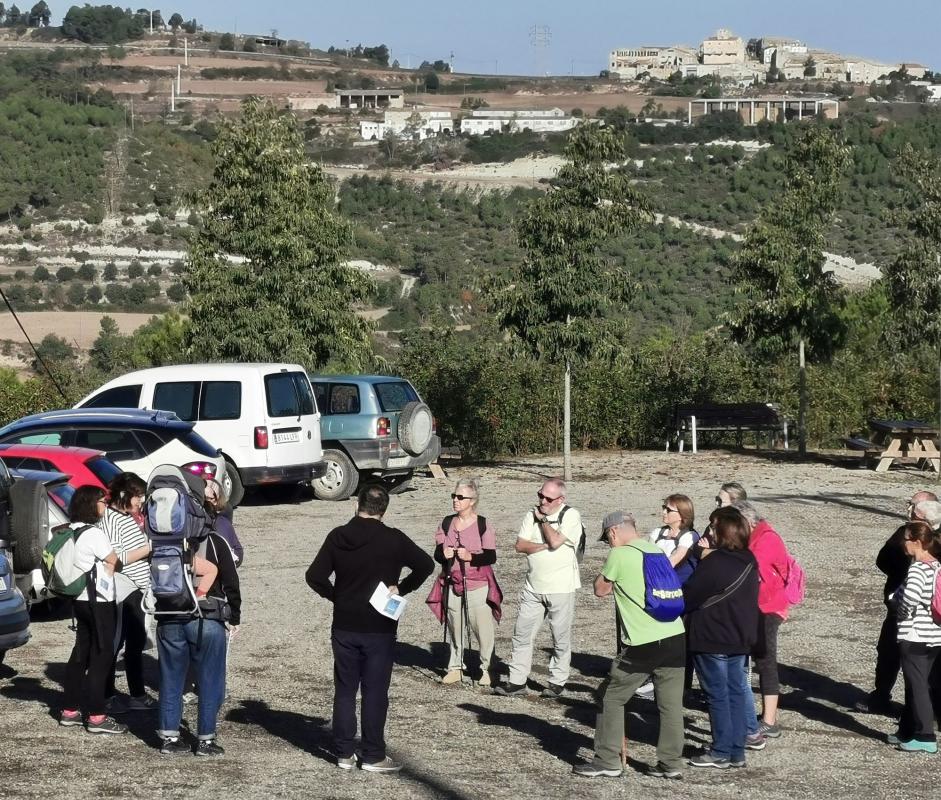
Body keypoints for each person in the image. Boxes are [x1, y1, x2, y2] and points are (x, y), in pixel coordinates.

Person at [306, 485, 434, 773]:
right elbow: (426, 564)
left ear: (357, 505)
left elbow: (314, 576)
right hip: (380, 626)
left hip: (345, 624)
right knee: (375, 691)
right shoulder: (393, 539)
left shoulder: (338, 536)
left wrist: (336, 595)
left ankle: (343, 753)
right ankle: (373, 754)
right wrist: (401, 587)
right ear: (384, 510)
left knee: (345, 689)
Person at [573, 511, 686, 779]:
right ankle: (671, 764)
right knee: (669, 705)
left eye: (608, 538)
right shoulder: (655, 550)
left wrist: (603, 576)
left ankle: (607, 760)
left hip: (643, 642)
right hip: (675, 635)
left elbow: (600, 589)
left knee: (609, 697)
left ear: (613, 532)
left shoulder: (620, 554)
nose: (609, 543)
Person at [156, 473, 239, 758]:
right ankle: (205, 740)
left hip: (168, 614)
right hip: (206, 618)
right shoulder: (215, 541)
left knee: (170, 678)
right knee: (210, 679)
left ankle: (168, 737)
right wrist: (235, 616)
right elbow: (231, 582)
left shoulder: (160, 542)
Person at [683, 506, 759, 769]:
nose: (710, 531)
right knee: (736, 691)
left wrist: (702, 557)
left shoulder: (714, 562)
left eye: (714, 527)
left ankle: (720, 750)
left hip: (712, 636)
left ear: (723, 532)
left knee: (717, 694)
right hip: (740, 637)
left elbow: (690, 595)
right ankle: (736, 750)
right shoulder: (749, 559)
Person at [493, 478, 582, 699]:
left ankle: (557, 681)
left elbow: (554, 542)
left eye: (548, 498)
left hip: (561, 587)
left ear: (561, 500)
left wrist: (543, 523)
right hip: (533, 586)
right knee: (521, 634)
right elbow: (519, 545)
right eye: (540, 495)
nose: (542, 501)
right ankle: (516, 680)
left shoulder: (570, 516)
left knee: (560, 637)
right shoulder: (529, 515)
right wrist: (541, 545)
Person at [856, 491, 938, 715]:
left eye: (912, 505)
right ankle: (882, 696)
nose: (908, 509)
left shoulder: (925, 539)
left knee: (925, 664)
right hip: (899, 607)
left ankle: (924, 714)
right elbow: (882, 559)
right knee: (888, 653)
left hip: (925, 612)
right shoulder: (904, 532)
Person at [59, 485, 128, 735]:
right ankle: (97, 716)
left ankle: (70, 710)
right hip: (99, 601)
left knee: (80, 653)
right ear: (91, 504)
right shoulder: (93, 534)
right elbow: (114, 561)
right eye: (103, 501)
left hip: (78, 599)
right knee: (102, 656)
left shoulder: (69, 530)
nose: (106, 505)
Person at [432, 478, 500, 686]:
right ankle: (455, 667)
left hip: (477, 585)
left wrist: (471, 557)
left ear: (472, 500)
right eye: (454, 496)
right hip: (453, 584)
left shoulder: (483, 524)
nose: (456, 500)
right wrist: (442, 554)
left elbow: (490, 557)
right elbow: (437, 553)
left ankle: (487, 669)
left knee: (482, 629)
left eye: (461, 497)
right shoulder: (446, 522)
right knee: (455, 627)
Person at [732, 500, 790, 740]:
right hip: (755, 606)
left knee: (766, 660)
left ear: (746, 521)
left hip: (769, 607)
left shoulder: (766, 539)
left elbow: (750, 569)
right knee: (755, 658)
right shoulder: (756, 536)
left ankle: (769, 720)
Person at [100, 472, 154, 713]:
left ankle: (137, 694)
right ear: (124, 495)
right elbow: (116, 558)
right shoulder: (111, 520)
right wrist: (148, 549)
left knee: (135, 642)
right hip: (124, 589)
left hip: (137, 589)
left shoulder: (125, 517)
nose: (140, 501)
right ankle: (107, 695)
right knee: (117, 642)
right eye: (138, 496)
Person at [889, 520, 941, 753]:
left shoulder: (918, 568)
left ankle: (925, 736)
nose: (903, 543)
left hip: (915, 635)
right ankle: (909, 730)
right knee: (921, 684)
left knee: (917, 687)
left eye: (906, 539)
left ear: (917, 542)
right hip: (934, 635)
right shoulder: (937, 566)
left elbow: (909, 598)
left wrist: (901, 613)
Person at [204, 478, 243, 567]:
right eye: (204, 499)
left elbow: (234, 549)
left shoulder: (222, 521)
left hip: (227, 558)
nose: (207, 502)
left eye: (210, 499)